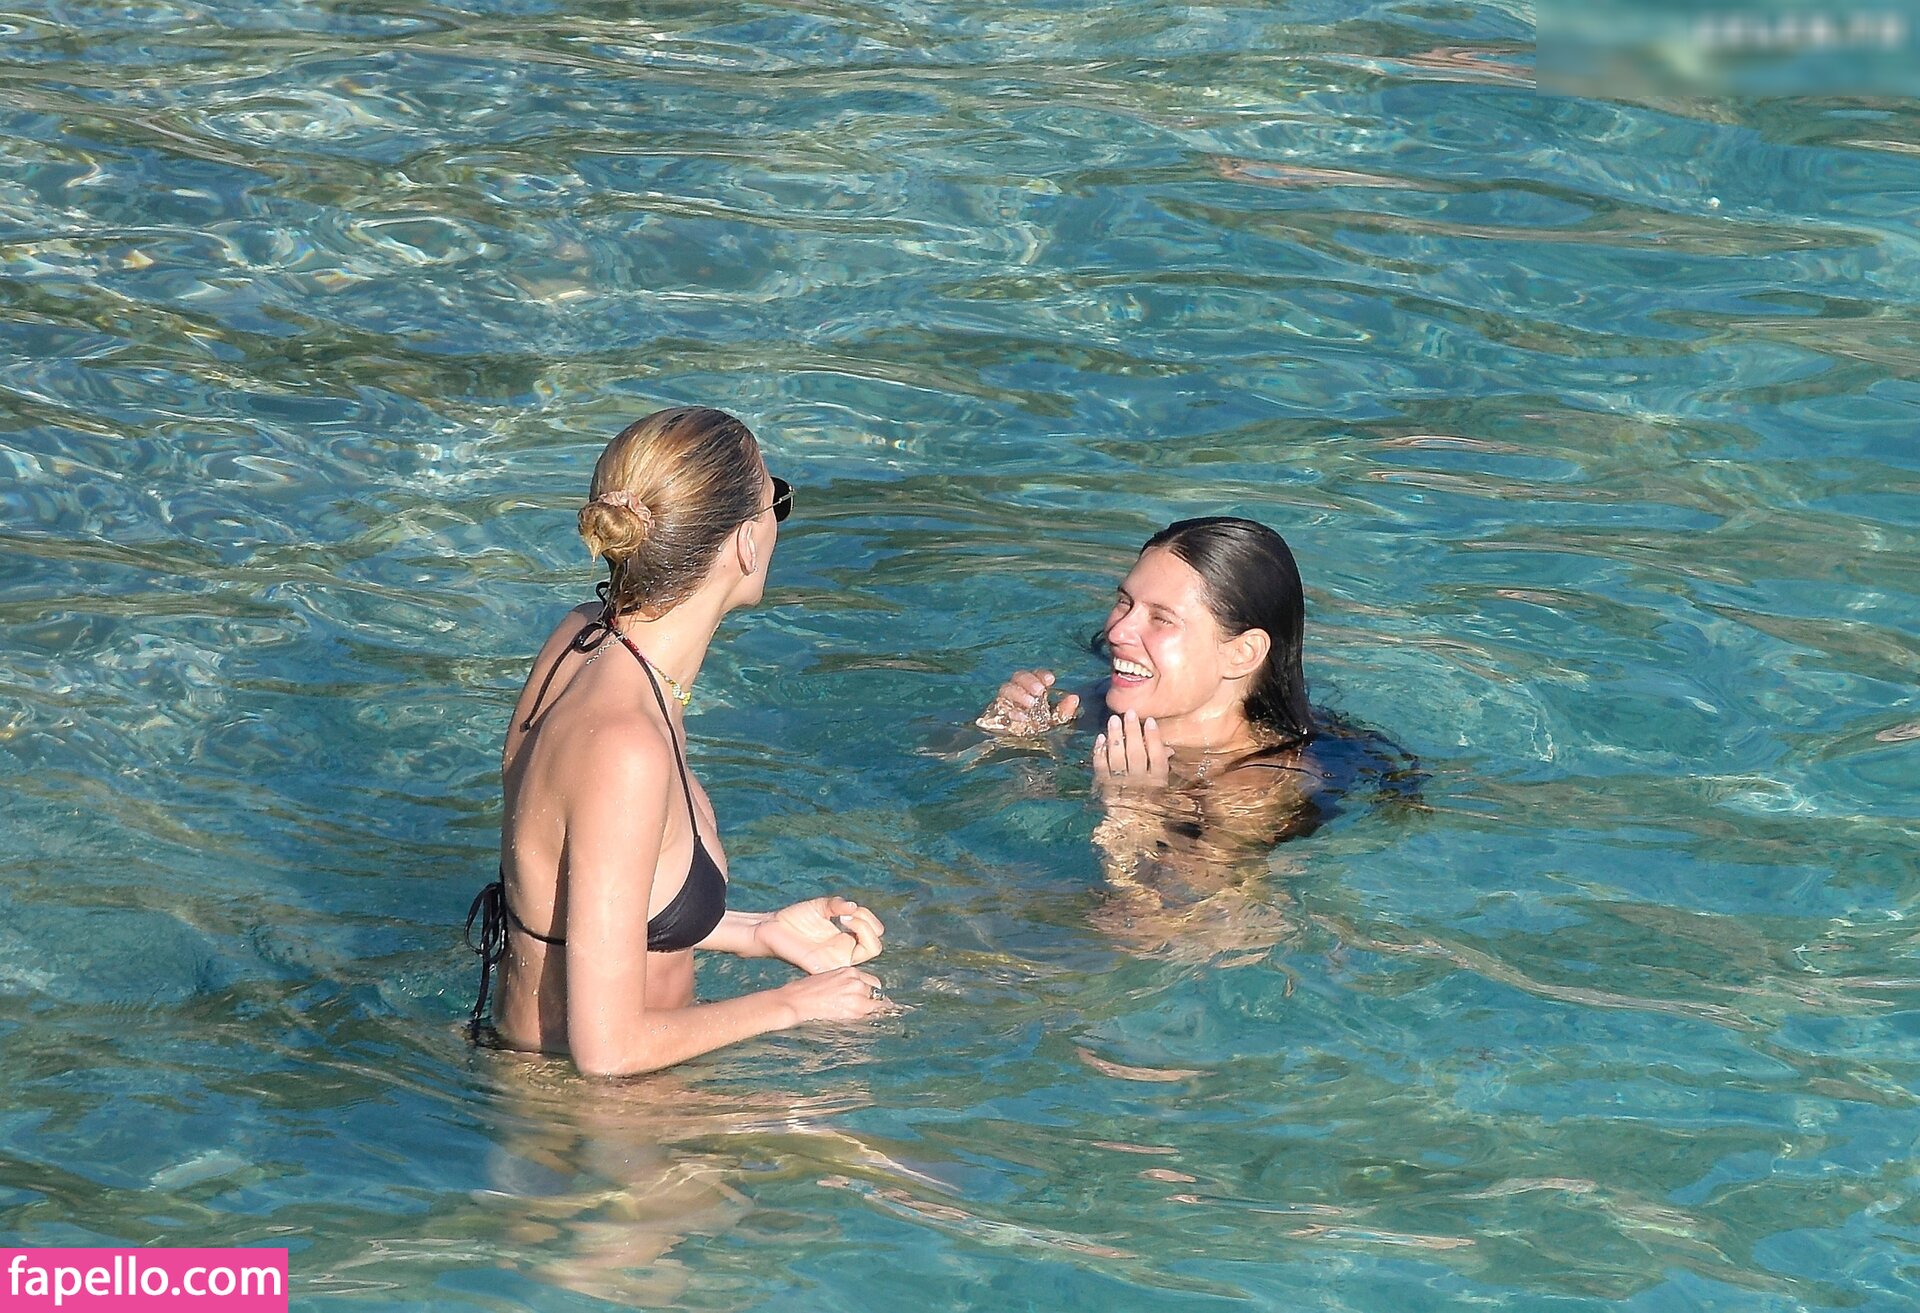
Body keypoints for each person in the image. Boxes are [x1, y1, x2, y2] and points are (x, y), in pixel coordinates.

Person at [467, 406, 889, 1076]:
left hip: (538, 1082)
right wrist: (792, 1004)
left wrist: (757, 932)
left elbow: (583, 907)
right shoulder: (626, 746)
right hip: (601, 1116)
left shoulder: (584, 643)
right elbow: (608, 1052)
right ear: (746, 543)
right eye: (777, 502)